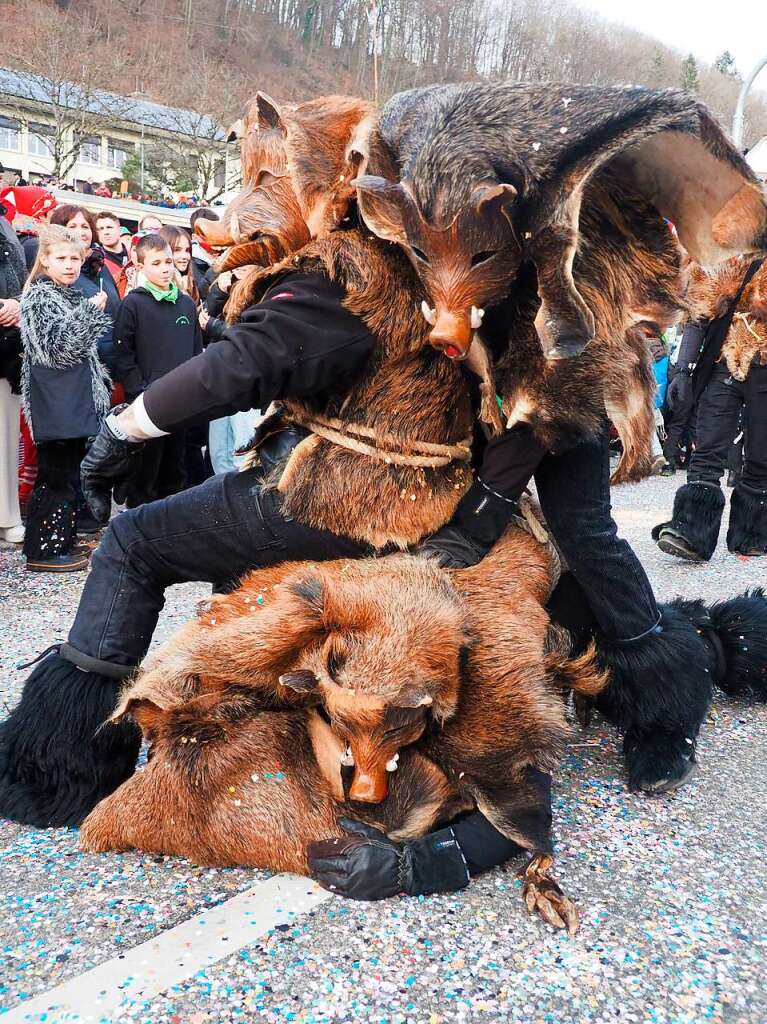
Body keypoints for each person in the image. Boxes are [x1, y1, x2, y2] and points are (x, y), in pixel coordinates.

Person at [654, 256, 767, 560]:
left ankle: (752, 534)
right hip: (723, 363)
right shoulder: (726, 258)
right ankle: (691, 531)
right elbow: (698, 314)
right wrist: (682, 370)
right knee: (707, 448)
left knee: (761, 456)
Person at [18, 225, 111, 572]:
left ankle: (62, 539)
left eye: (75, 258)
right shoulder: (41, 296)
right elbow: (58, 349)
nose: (70, 265)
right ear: (44, 259)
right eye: (62, 258)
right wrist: (89, 313)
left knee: (67, 473)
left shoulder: (66, 294)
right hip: (55, 402)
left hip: (70, 401)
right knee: (55, 475)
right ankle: (44, 550)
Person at [111, 234, 203, 507]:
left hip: (180, 401)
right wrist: (140, 391)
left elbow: (195, 352)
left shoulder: (185, 303)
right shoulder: (133, 304)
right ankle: (138, 524)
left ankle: (167, 527)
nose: (165, 268)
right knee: (145, 469)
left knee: (175, 467)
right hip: (146, 403)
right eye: (156, 263)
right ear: (140, 266)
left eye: (168, 262)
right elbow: (123, 355)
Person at [202, 267, 262, 473]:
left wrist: (215, 327)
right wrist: (218, 292)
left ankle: (243, 502)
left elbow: (255, 337)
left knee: (242, 450)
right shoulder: (218, 279)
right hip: (220, 374)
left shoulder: (267, 285)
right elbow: (202, 322)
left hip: (248, 378)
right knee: (219, 451)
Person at [0, 204, 26, 543]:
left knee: (6, 437)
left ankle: (6, 514)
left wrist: (18, 303)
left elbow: (22, 279)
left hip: (5, 347)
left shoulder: (5, 224)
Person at [96, 212, 130, 299]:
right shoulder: (97, 262)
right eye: (100, 229)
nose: (105, 232)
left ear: (119, 229)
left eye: (109, 227)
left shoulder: (135, 256)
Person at [189, 209, 220, 301]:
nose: (214, 237)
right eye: (208, 233)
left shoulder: (228, 257)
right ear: (195, 237)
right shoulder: (188, 263)